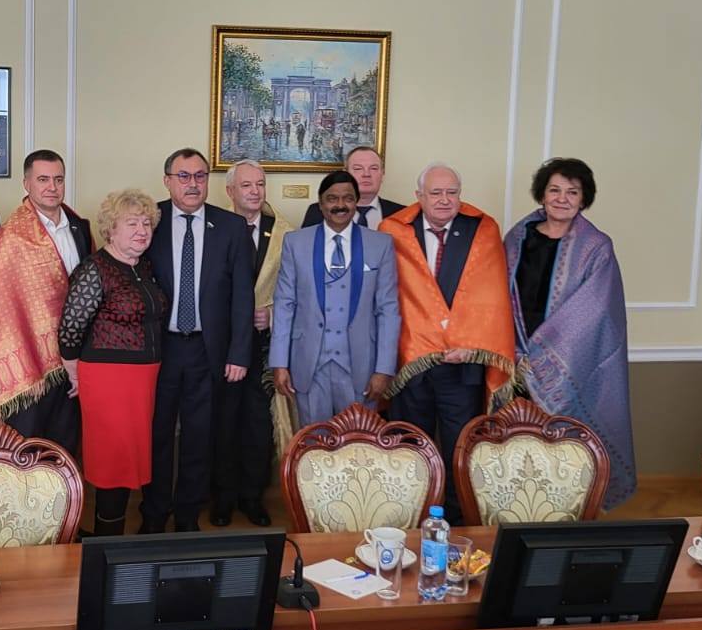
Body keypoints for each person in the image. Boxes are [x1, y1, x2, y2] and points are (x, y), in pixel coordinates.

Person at [379, 164, 515, 522]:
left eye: (452, 192)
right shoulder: (393, 230)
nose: (444, 199)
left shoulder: (481, 230)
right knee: (411, 448)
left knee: (460, 449)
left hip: (463, 364)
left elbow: (492, 297)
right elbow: (388, 297)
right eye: (436, 193)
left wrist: (474, 344)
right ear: (419, 196)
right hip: (411, 365)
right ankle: (411, 518)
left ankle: (456, 522)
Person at [505, 158, 636, 509]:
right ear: (542, 194)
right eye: (554, 190)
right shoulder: (517, 238)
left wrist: (542, 354)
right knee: (517, 443)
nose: (562, 199)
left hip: (567, 365)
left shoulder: (597, 247)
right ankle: (513, 508)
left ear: (583, 198)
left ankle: (564, 510)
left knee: (562, 449)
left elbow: (596, 312)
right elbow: (497, 295)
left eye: (572, 192)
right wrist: (513, 351)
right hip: (513, 357)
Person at [146, 147, 254, 533]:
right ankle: (154, 513)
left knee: (199, 435)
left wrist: (239, 353)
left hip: (208, 350)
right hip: (160, 349)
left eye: (200, 176)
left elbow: (243, 296)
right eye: (184, 176)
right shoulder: (150, 220)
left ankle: (188, 516)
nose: (193, 184)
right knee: (156, 434)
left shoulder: (231, 227)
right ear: (167, 181)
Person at [0, 149, 93, 454]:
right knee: (27, 449)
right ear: (26, 183)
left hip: (75, 359)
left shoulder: (80, 228)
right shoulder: (9, 237)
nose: (52, 187)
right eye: (43, 180)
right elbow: (1, 309)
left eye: (58, 179)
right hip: (29, 364)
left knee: (65, 446)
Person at [58, 190, 167, 537]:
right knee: (113, 462)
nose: (142, 231)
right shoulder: (95, 268)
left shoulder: (142, 266)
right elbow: (70, 328)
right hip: (109, 380)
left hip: (141, 381)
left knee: (128, 458)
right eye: (132, 223)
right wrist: (75, 373)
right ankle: (106, 544)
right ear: (111, 229)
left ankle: (110, 539)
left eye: (146, 223)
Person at [271, 169, 399, 426]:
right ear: (320, 203)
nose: (340, 205)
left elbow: (388, 310)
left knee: (359, 440)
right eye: (332, 198)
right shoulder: (295, 242)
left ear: (356, 202)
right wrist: (279, 363)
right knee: (313, 441)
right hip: (309, 364)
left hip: (361, 367)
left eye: (348, 198)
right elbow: (284, 305)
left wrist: (384, 369)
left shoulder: (380, 244)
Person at [213, 159, 283, 526]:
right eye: (246, 185)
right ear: (230, 191)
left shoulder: (283, 232)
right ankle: (222, 497)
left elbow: (296, 289)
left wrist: (272, 314)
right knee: (223, 421)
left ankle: (253, 497)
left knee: (258, 423)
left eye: (260, 184)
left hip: (262, 345)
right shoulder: (216, 227)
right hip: (222, 343)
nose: (255, 191)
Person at [300, 145, 404, 229]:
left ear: (382, 174)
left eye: (373, 168)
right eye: (358, 169)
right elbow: (305, 246)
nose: (366, 174)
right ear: (346, 173)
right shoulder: (317, 211)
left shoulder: (402, 213)